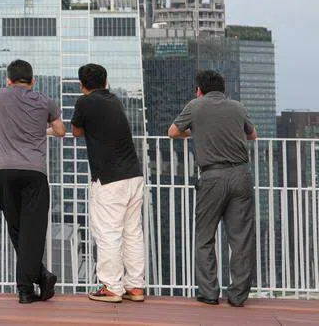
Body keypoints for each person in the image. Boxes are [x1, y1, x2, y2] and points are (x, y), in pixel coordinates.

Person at [168, 69, 258, 308]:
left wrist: (196, 131)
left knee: (205, 236)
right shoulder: (238, 107)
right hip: (240, 174)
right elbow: (253, 135)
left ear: (199, 90)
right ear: (223, 89)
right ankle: (238, 296)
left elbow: (173, 132)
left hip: (212, 176)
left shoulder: (195, 106)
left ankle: (209, 293)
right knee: (241, 238)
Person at [0, 59, 65, 304]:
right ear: (33, 81)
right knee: (33, 230)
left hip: (5, 171)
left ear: (8, 80)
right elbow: (61, 131)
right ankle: (30, 285)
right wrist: (42, 131)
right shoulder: (45, 101)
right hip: (34, 171)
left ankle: (35, 282)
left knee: (16, 228)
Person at [70, 63, 146, 304]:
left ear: (82, 85)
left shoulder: (85, 102)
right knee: (132, 232)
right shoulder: (115, 100)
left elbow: (76, 131)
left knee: (108, 233)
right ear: (106, 81)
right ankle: (135, 286)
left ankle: (112, 287)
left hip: (109, 178)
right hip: (134, 175)